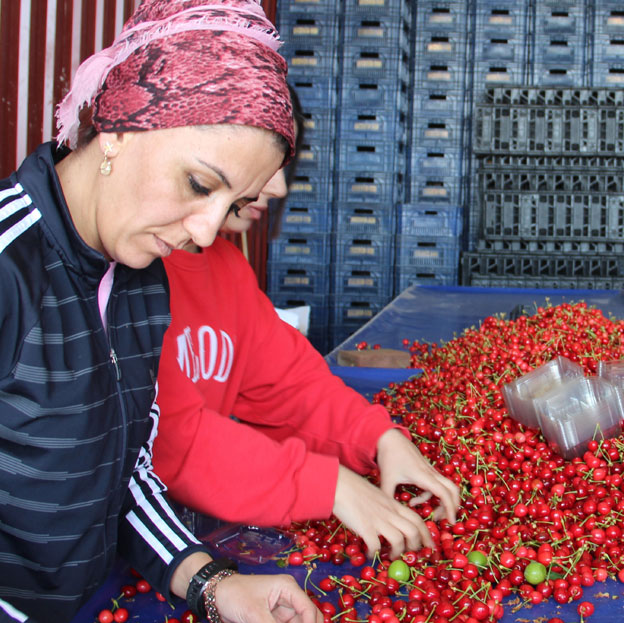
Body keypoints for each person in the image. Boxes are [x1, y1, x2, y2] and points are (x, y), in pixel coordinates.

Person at [0, 2, 325, 623]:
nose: (208, 230)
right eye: (198, 184)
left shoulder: (137, 283)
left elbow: (124, 472)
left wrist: (210, 582)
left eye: (234, 202)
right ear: (119, 129)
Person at [152, 89, 461, 558]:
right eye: (267, 165)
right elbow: (168, 438)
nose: (277, 189)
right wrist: (329, 485)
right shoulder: (130, 269)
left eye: (283, 164)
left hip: (173, 540)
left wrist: (379, 438)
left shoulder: (228, 269)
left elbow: (289, 385)